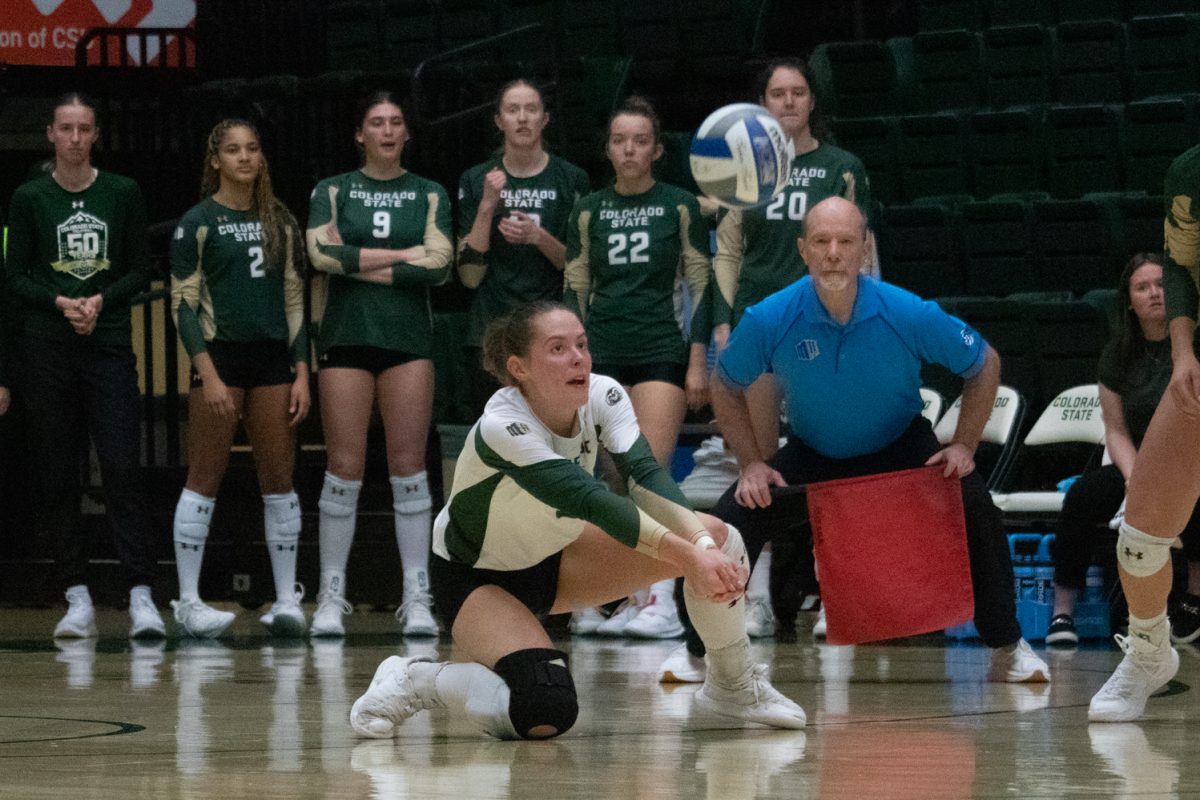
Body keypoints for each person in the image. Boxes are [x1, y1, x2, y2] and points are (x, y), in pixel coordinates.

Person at [348, 301, 805, 740]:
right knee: (546, 706)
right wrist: (687, 556)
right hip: (477, 579)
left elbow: (645, 478)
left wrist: (702, 551)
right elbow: (592, 500)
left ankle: (733, 686)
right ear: (519, 367)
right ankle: (420, 680)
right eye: (558, 348)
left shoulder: (603, 394)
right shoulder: (501, 426)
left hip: (559, 558)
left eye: (582, 345)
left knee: (720, 538)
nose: (578, 359)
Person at [661, 197, 1049, 684]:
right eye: (821, 242)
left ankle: (1008, 648)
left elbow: (984, 363)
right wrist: (752, 464)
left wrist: (965, 446)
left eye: (846, 242)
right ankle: (697, 653)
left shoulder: (905, 311)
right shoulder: (770, 317)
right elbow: (725, 383)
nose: (833, 253)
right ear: (803, 250)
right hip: (814, 452)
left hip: (902, 446)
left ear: (865, 250)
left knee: (976, 505)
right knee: (728, 524)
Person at [710, 58, 874, 637]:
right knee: (756, 462)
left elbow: (864, 250)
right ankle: (753, 594)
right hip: (762, 325)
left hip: (826, 323)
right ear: (762, 103)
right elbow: (726, 251)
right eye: (776, 93)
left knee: (836, 457)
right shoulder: (744, 170)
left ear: (811, 102)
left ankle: (837, 591)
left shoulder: (841, 166)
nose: (787, 102)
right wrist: (724, 321)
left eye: (797, 92)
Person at [2, 93, 165, 639]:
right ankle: (76, 595)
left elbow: (139, 270)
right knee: (55, 470)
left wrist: (99, 302)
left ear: (96, 135)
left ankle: (141, 592)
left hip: (109, 344)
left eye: (84, 129)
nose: (74, 138)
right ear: (50, 133)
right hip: (46, 349)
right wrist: (59, 303)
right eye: (65, 129)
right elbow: (16, 275)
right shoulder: (29, 197)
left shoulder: (122, 192)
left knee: (121, 465)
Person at [562, 96, 712, 639]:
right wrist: (573, 361)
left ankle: (663, 603)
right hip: (600, 352)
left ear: (656, 149)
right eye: (620, 139)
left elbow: (702, 283)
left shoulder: (678, 205)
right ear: (608, 148)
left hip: (660, 351)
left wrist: (698, 360)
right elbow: (574, 288)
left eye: (640, 140)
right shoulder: (587, 209)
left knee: (648, 473)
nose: (629, 149)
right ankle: (614, 597)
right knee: (606, 480)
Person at [306, 90, 453, 637]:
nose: (387, 130)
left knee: (408, 468)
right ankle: (329, 596)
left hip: (408, 341)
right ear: (359, 134)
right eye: (376, 122)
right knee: (343, 469)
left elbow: (440, 264)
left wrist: (356, 261)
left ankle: (418, 595)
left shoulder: (430, 193)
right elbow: (320, 254)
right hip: (346, 338)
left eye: (396, 122)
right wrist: (401, 256)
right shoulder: (333, 190)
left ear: (407, 133)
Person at [168, 119, 311, 638]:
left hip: (273, 360)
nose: (245, 157)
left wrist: (302, 373)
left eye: (252, 148)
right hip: (219, 359)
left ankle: (286, 599)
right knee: (204, 477)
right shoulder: (197, 222)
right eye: (233, 150)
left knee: (279, 480)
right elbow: (182, 305)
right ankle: (187, 601)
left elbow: (295, 298)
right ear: (215, 160)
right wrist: (207, 373)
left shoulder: (281, 221)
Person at [1087, 144, 1200, 721]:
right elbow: (1180, 266)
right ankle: (1151, 653)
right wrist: (1182, 353)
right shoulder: (1187, 170)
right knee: (1140, 535)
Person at [1046, 254, 1200, 646]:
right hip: (1138, 464)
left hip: (1189, 460)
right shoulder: (1117, 355)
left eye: (1162, 285)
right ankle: (1063, 612)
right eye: (1142, 287)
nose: (1154, 294)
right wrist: (1136, 479)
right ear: (1129, 301)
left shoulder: (1192, 346)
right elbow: (1115, 430)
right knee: (1081, 497)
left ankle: (1193, 601)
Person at [457, 79, 591, 414]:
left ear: (545, 119)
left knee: (552, 436)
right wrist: (488, 206)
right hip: (493, 328)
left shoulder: (571, 179)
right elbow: (469, 276)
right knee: (500, 439)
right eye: (512, 110)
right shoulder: (476, 180)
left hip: (552, 329)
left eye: (531, 109)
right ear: (498, 120)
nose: (522, 118)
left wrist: (537, 236)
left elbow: (577, 264)